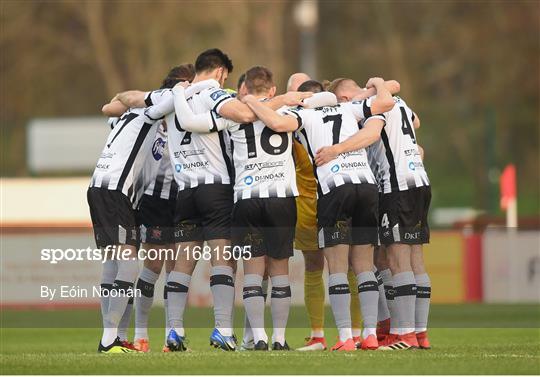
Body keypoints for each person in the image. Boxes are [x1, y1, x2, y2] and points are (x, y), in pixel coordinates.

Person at [241, 77, 394, 351]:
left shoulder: (304, 114)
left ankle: (345, 338)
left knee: (335, 267)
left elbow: (275, 123)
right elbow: (384, 105)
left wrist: (252, 101)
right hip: (366, 186)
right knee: (363, 265)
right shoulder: (350, 109)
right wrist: (377, 83)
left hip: (334, 189)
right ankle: (369, 334)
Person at [323, 78, 431, 350]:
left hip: (395, 184)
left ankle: (403, 334)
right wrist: (380, 85)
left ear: (344, 99)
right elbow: (415, 122)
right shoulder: (400, 102)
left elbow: (375, 124)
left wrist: (336, 149)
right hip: (419, 179)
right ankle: (417, 333)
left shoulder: (363, 106)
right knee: (405, 256)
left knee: (397, 257)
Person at [90, 66, 190, 354]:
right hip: (115, 192)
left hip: (103, 188)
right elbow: (174, 98)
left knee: (113, 262)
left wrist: (121, 98)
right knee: (130, 263)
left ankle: (112, 337)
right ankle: (110, 338)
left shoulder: (125, 116)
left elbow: (109, 107)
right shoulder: (149, 113)